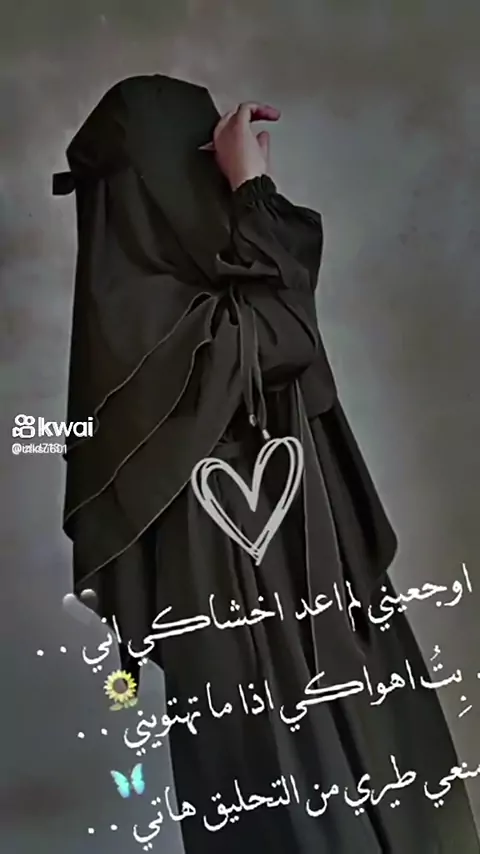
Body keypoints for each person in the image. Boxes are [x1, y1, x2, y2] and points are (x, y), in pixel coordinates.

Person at [55, 74, 479, 853]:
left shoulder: (184, 314)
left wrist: (252, 205)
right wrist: (251, 191)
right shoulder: (165, 335)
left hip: (297, 618)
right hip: (256, 635)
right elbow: (290, 331)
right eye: (197, 166)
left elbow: (284, 324)